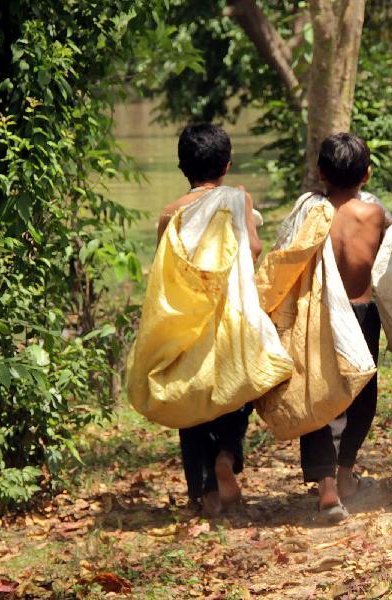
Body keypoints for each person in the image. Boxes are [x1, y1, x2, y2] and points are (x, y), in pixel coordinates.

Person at [156, 123, 262, 516]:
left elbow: (162, 272)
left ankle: (205, 493)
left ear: (183, 167)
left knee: (191, 401)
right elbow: (252, 247)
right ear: (228, 165)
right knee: (241, 391)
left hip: (189, 321)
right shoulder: (239, 199)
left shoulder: (171, 213)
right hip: (232, 314)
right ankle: (227, 454)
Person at [299, 133, 386, 522]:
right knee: (361, 396)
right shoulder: (376, 215)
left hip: (320, 316)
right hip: (363, 313)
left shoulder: (310, 215)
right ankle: (346, 472)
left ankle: (329, 488)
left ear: (320, 174)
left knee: (318, 397)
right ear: (366, 174)